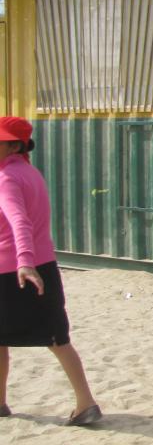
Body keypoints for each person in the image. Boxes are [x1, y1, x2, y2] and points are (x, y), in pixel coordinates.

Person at [0, 116, 101, 425]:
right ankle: (85, 403)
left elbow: (20, 221)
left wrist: (25, 262)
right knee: (56, 337)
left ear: (14, 144)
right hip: (42, 265)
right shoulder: (29, 172)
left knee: (51, 338)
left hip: (15, 269)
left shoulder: (6, 177)